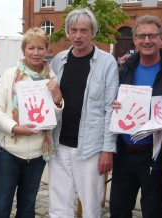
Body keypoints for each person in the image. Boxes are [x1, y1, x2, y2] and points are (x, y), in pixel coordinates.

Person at [49, 8, 119, 218]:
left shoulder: (107, 62)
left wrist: (108, 149)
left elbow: (109, 109)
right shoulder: (59, 60)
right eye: (74, 30)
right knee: (58, 202)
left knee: (90, 205)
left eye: (83, 30)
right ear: (68, 32)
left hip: (91, 147)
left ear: (92, 32)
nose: (78, 36)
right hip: (59, 143)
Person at [0, 27, 63, 218]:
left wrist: (57, 99)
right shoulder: (10, 75)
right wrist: (14, 128)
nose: (36, 53)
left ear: (46, 50)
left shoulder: (51, 77)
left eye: (40, 48)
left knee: (28, 205)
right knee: (1, 204)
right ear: (24, 50)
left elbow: (53, 117)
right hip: (8, 150)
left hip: (37, 153)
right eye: (31, 48)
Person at [109, 15, 162, 218]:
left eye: (152, 36)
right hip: (124, 152)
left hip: (153, 154)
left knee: (153, 211)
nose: (147, 41)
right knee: (118, 209)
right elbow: (110, 103)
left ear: (161, 38)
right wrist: (113, 104)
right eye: (142, 36)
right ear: (135, 39)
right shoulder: (124, 69)